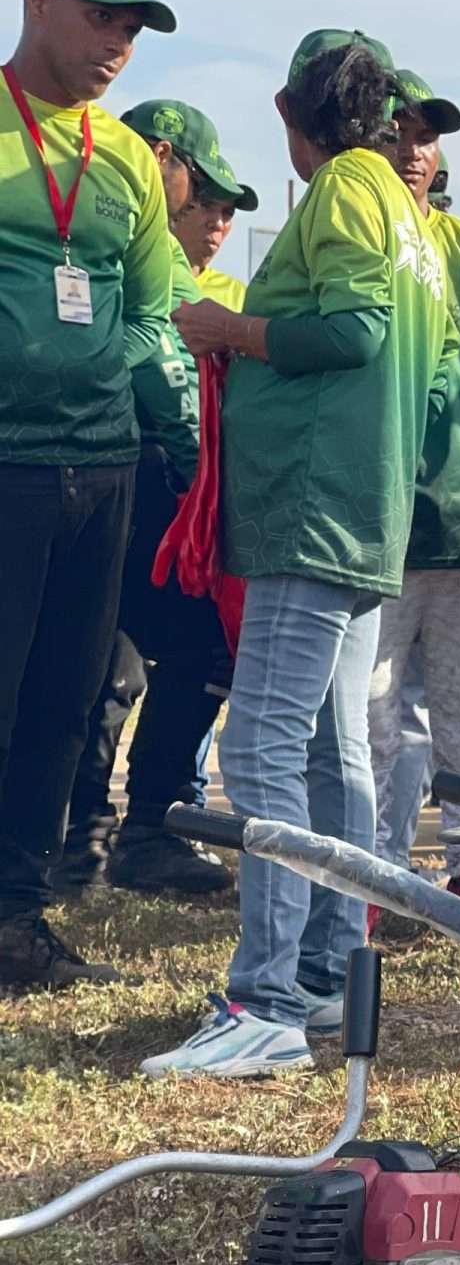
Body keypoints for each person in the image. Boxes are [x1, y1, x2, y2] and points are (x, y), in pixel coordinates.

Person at [143, 31, 455, 1077]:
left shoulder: (342, 194)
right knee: (334, 753)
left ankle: (264, 999)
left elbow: (353, 330)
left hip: (312, 504)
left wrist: (231, 329)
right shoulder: (407, 211)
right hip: (366, 503)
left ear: (291, 116)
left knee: (262, 751)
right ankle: (324, 977)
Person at [0, 0, 175, 990]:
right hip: (5, 461)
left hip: (100, 463)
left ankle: (17, 920)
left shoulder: (125, 159)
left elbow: (154, 306)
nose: (117, 43)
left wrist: (161, 419)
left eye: (133, 27)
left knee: (66, 702)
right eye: (99, 16)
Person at [58, 100, 253, 898]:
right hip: (138, 471)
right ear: (163, 156)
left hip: (85, 466)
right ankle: (142, 832)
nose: (209, 216)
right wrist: (202, 469)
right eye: (201, 194)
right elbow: (167, 377)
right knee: (191, 648)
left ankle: (79, 845)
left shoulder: (96, 230)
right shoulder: (144, 249)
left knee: (99, 667)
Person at [364, 72, 460, 907]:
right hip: (374, 533)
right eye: (397, 134)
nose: (413, 152)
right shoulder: (351, 237)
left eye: (426, 137)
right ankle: (376, 875)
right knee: (373, 724)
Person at [171, 146, 257, 311]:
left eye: (228, 213)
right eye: (207, 205)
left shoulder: (239, 297)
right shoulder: (141, 276)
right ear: (180, 200)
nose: (218, 223)